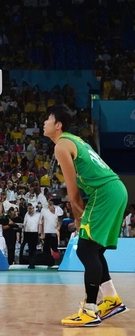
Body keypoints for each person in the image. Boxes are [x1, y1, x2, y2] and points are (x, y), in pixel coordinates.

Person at [44, 104, 128, 327]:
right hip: (115, 189)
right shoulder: (75, 139)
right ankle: (110, 299)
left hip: (105, 192)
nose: (44, 123)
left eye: (48, 119)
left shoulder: (61, 145)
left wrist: (79, 216)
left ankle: (90, 310)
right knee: (93, 248)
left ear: (58, 124)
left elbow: (73, 193)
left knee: (85, 248)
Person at [22, 203, 40, 269]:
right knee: (29, 249)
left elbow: (39, 224)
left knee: (33, 249)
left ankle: (33, 263)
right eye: (29, 208)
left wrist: (39, 233)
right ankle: (30, 263)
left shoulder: (38, 215)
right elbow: (24, 224)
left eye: (31, 208)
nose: (30, 210)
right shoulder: (26, 215)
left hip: (34, 233)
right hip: (27, 233)